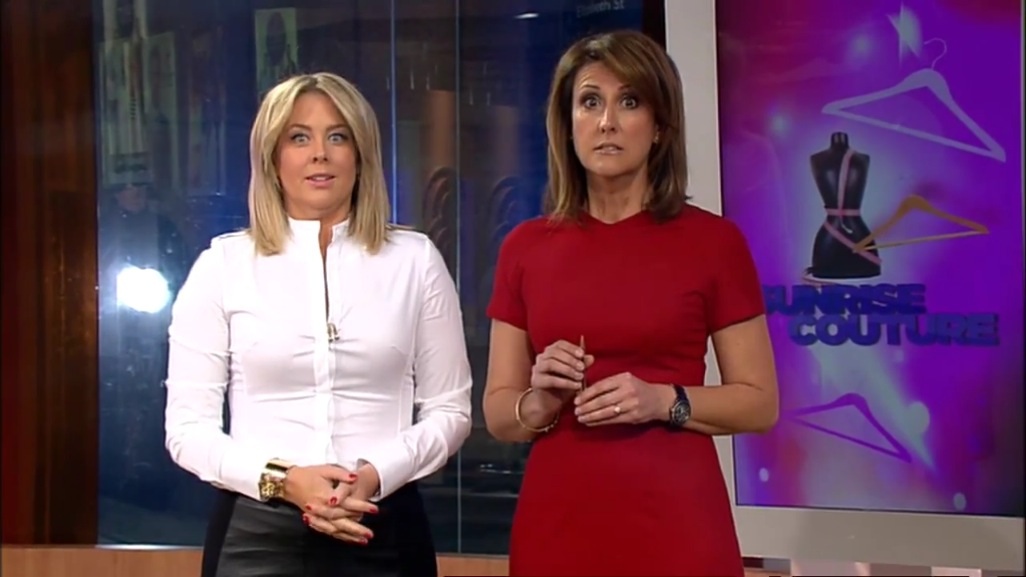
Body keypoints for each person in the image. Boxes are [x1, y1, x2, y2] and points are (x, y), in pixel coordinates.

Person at [483, 30, 779, 577]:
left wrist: (663, 400)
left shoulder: (714, 243)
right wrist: (540, 400)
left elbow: (760, 403)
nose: (607, 122)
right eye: (589, 102)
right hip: (559, 525)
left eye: (630, 102)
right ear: (567, 124)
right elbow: (501, 415)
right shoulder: (524, 248)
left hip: (678, 525)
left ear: (660, 125)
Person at [164, 72, 473, 577]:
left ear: (361, 154)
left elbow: (450, 410)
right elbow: (187, 430)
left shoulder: (415, 261)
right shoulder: (222, 266)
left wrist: (373, 476)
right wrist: (285, 480)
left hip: (382, 524)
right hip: (257, 536)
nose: (320, 155)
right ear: (272, 158)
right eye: (299, 137)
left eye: (337, 136)